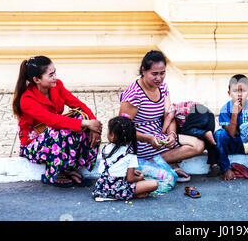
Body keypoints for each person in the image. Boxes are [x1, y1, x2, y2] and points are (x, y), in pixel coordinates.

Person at [12, 56, 102, 187]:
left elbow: (79, 105)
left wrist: (93, 125)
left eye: (55, 72)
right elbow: (52, 120)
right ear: (36, 80)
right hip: (33, 146)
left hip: (55, 136)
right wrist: (86, 123)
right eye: (50, 75)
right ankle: (52, 174)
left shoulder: (57, 86)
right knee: (59, 130)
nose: (55, 77)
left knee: (80, 118)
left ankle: (69, 167)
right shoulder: (27, 99)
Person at [119, 50, 205, 183]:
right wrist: (148, 138)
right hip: (141, 142)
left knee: (198, 145)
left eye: (162, 73)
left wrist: (171, 134)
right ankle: (157, 163)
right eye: (154, 74)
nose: (159, 78)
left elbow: (169, 115)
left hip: (160, 138)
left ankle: (153, 163)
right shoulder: (134, 95)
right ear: (144, 70)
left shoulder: (162, 87)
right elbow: (122, 129)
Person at [92, 116, 158, 201]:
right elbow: (130, 179)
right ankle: (130, 195)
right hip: (120, 189)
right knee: (154, 184)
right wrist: (140, 177)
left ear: (112, 136)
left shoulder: (105, 148)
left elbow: (104, 170)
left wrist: (130, 172)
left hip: (102, 188)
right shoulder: (130, 154)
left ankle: (121, 195)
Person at [162, 101, 220, 177]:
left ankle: (204, 133)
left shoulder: (172, 107)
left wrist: (162, 132)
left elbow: (169, 118)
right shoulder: (181, 119)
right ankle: (214, 164)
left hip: (197, 111)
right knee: (209, 141)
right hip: (209, 114)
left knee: (186, 131)